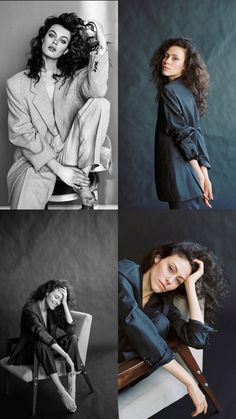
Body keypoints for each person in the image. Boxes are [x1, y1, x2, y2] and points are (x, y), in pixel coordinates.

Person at [6, 12, 111, 209]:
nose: (55, 43)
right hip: (38, 158)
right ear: (43, 38)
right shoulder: (16, 84)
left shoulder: (75, 77)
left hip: (73, 153)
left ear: (65, 50)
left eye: (63, 41)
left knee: (101, 103)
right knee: (25, 204)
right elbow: (22, 134)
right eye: (52, 36)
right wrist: (60, 170)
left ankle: (83, 180)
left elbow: (97, 91)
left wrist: (102, 48)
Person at [119, 241, 228, 417]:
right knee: (159, 324)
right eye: (170, 268)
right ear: (157, 258)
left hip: (132, 373)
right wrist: (189, 382)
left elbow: (197, 339)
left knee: (161, 322)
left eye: (178, 280)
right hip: (111, 367)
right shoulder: (124, 273)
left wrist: (190, 284)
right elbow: (133, 321)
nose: (170, 280)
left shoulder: (163, 303)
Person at [150, 37, 212, 210]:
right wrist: (204, 173)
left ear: (186, 66)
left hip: (180, 177)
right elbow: (196, 133)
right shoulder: (188, 92)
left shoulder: (169, 91)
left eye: (175, 58)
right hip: (190, 176)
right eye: (166, 56)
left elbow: (182, 133)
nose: (166, 61)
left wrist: (200, 175)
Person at [8, 279, 81, 413]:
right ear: (47, 292)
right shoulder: (29, 308)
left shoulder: (54, 310)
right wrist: (65, 355)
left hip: (48, 350)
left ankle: (72, 385)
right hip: (30, 352)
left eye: (60, 300)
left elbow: (71, 331)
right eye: (56, 297)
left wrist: (64, 304)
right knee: (41, 342)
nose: (57, 302)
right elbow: (41, 334)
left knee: (72, 338)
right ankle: (61, 390)